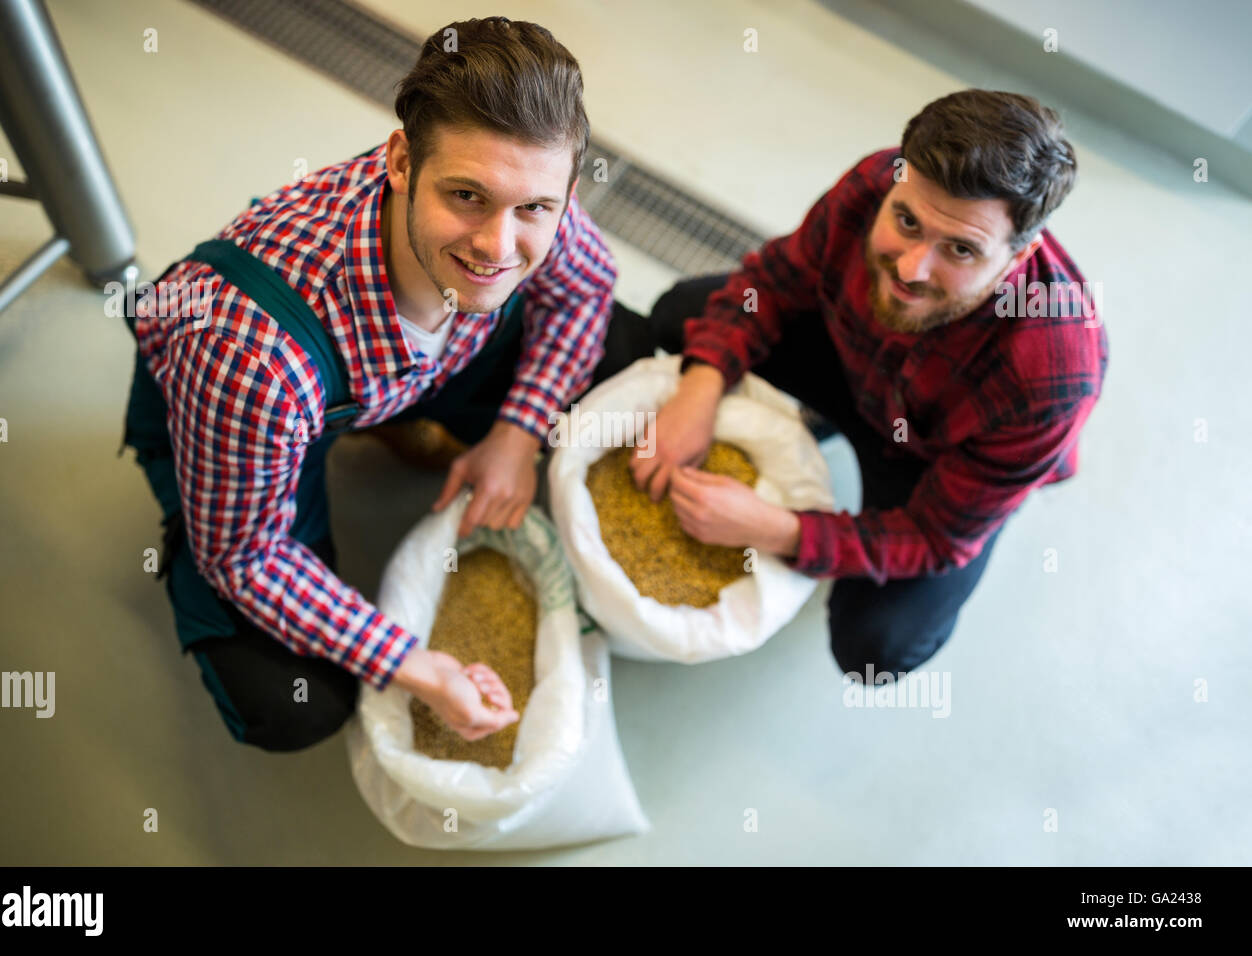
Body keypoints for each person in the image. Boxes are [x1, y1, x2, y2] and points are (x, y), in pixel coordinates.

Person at [119, 17, 649, 751]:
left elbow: (585, 290)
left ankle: (408, 419)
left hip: (409, 362)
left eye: (534, 209)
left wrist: (517, 434)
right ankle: (220, 490)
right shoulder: (250, 358)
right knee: (292, 703)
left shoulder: (521, 171)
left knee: (628, 349)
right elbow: (244, 555)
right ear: (400, 161)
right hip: (261, 410)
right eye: (466, 197)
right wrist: (415, 665)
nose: (499, 247)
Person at [632, 90, 1108, 682]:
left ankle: (998, 499)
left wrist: (774, 529)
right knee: (681, 313)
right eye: (907, 222)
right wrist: (698, 390)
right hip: (856, 368)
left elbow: (934, 536)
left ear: (1018, 258)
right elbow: (774, 283)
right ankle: (817, 412)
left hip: (932, 460)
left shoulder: (1053, 375)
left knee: (875, 652)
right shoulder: (875, 181)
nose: (912, 269)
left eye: (959, 249)